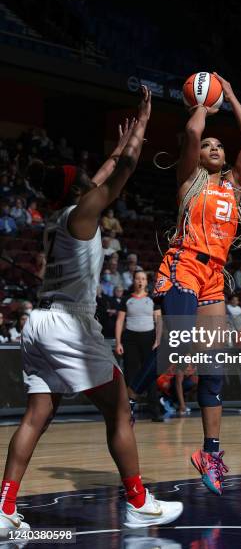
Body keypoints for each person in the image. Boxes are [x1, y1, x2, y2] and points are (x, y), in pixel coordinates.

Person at [0, 88, 182, 535]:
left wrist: (117, 147)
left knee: (35, 417)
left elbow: (102, 173)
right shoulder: (83, 214)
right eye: (84, 179)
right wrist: (140, 128)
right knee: (120, 409)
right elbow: (122, 172)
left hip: (38, 323)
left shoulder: (62, 216)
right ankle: (139, 502)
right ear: (80, 191)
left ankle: (3, 507)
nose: (90, 180)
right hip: (69, 324)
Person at [153, 72, 241, 495]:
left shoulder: (234, 186)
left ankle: (210, 453)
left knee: (214, 370)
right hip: (183, 265)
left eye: (220, 146)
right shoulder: (188, 181)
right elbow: (193, 129)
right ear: (198, 156)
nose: (214, 147)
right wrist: (204, 102)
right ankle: (130, 395)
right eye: (208, 147)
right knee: (177, 346)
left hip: (214, 275)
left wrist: (232, 95)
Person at [114, 271, 163, 421]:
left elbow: (159, 321)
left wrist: (158, 341)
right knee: (131, 375)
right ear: (133, 280)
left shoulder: (153, 299)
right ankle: (128, 413)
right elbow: (120, 321)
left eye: (143, 278)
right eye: (137, 278)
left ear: (146, 281)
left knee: (151, 376)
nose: (140, 281)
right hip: (131, 340)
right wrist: (118, 342)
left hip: (149, 339)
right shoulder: (126, 299)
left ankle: (154, 411)